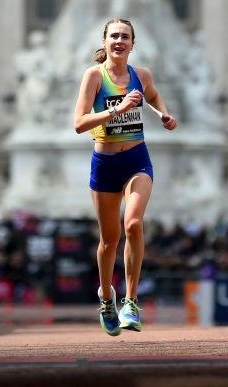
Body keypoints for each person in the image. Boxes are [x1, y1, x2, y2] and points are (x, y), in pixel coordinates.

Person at [73, 18, 176, 336]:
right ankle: (107, 298)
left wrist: (164, 114)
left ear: (133, 44)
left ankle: (130, 301)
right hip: (105, 163)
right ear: (104, 42)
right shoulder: (94, 76)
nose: (119, 41)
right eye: (114, 36)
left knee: (133, 224)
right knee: (109, 240)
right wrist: (116, 111)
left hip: (136, 160)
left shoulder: (141, 75)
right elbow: (79, 123)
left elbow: (154, 96)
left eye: (125, 37)